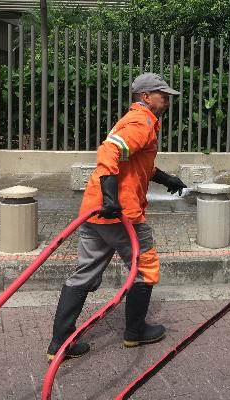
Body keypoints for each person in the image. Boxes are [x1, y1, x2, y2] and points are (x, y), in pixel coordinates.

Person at [47, 73, 187, 361]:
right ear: (145, 97)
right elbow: (109, 151)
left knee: (85, 272)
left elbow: (133, 162)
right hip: (122, 214)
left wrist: (166, 179)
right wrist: (111, 197)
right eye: (163, 96)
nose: (167, 101)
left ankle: (60, 342)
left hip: (94, 210)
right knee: (145, 267)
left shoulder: (133, 120)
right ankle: (135, 332)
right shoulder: (141, 121)